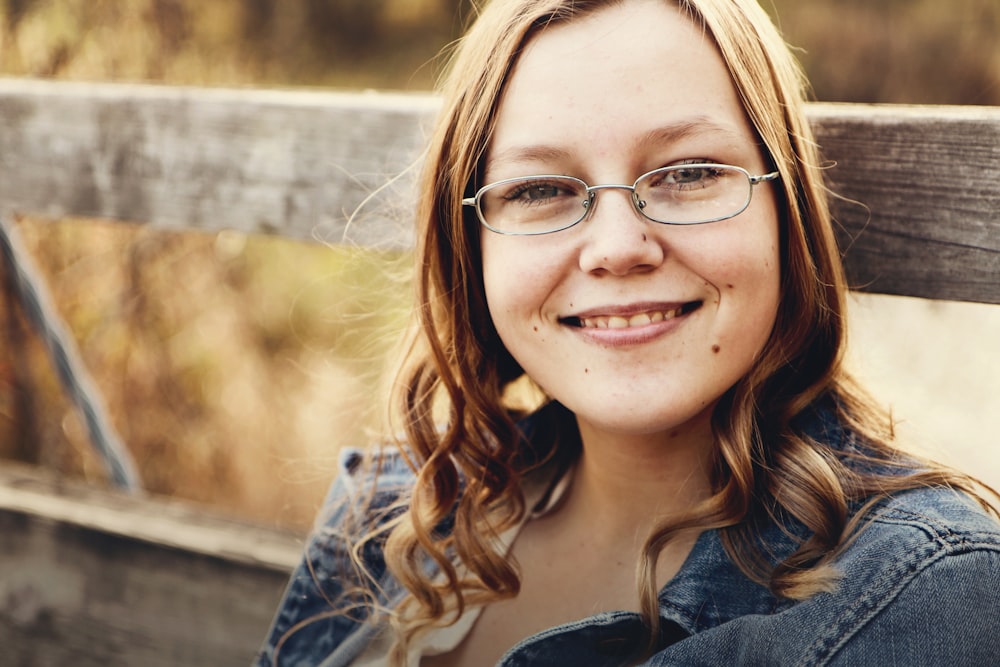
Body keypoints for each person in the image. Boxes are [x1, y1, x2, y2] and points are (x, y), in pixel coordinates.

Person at [255, 0, 1000, 665]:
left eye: (689, 172)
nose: (617, 246)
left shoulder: (924, 592)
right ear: (471, 245)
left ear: (786, 211)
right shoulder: (392, 514)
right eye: (541, 189)